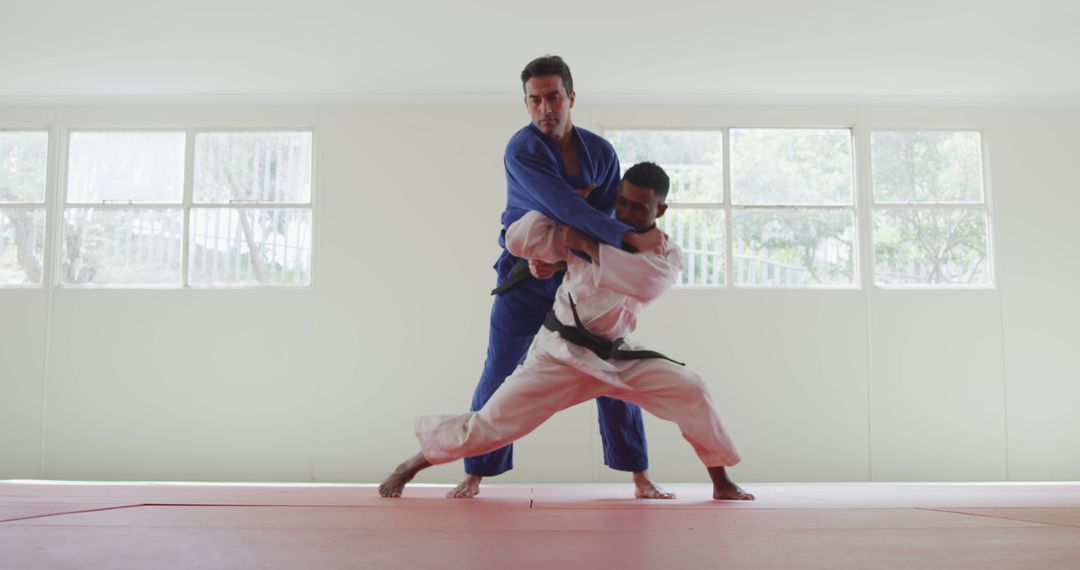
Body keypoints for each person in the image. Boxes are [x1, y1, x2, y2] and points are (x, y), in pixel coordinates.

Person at [380, 163, 753, 501]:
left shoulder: (664, 252)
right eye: (622, 202)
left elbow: (644, 283)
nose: (624, 212)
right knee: (489, 424)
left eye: (638, 207)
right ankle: (409, 467)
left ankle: (720, 482)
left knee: (692, 388)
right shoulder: (590, 221)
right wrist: (563, 206)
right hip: (560, 353)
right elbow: (519, 238)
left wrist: (587, 244)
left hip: (617, 356)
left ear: (660, 210)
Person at [450, 55, 671, 499]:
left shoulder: (602, 153)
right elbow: (568, 208)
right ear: (526, 103)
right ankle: (475, 471)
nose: (545, 108)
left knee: (611, 367)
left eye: (553, 97)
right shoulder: (522, 148)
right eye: (535, 100)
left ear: (571, 97)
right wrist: (627, 235)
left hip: (581, 281)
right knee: (501, 369)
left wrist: (587, 245)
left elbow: (601, 219)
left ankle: (639, 475)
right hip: (524, 276)